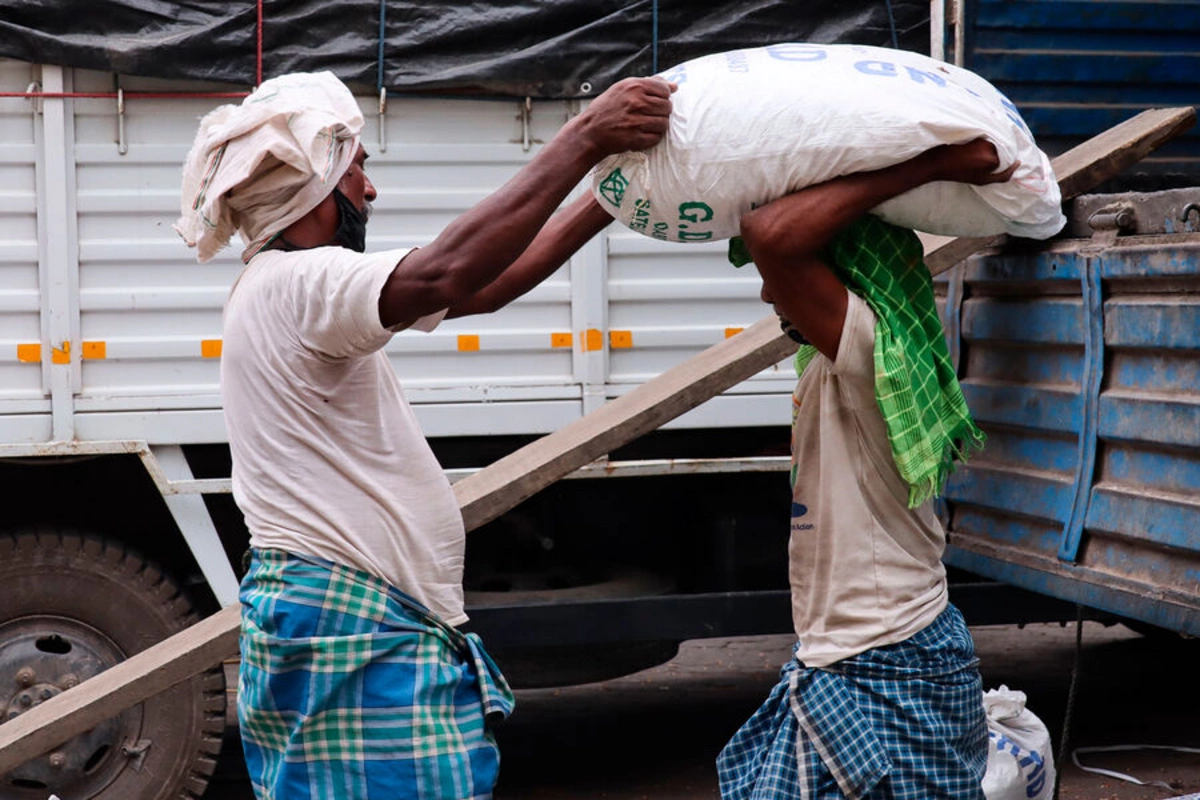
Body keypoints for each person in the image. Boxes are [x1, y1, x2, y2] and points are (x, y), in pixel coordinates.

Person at [174, 70, 673, 800]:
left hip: (360, 625)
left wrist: (608, 196)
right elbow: (447, 270)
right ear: (314, 189)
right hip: (357, 631)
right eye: (358, 170)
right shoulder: (300, 283)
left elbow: (487, 284)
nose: (369, 191)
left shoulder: (288, 289)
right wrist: (584, 135)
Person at [716, 140, 1019, 800]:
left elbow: (769, 234)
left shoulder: (874, 355)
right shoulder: (834, 364)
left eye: (789, 280)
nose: (769, 291)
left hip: (887, 660)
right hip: (861, 654)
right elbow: (772, 242)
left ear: (848, 279)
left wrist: (928, 168)